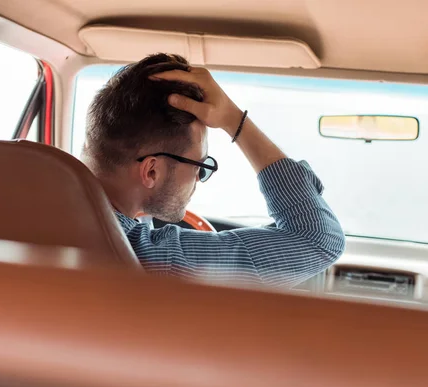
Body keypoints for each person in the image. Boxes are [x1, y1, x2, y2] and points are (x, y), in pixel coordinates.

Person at [82, 53, 345, 288]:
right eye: (200, 166)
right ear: (152, 171)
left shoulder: (43, 213)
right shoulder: (156, 259)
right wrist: (233, 119)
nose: (200, 178)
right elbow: (317, 238)